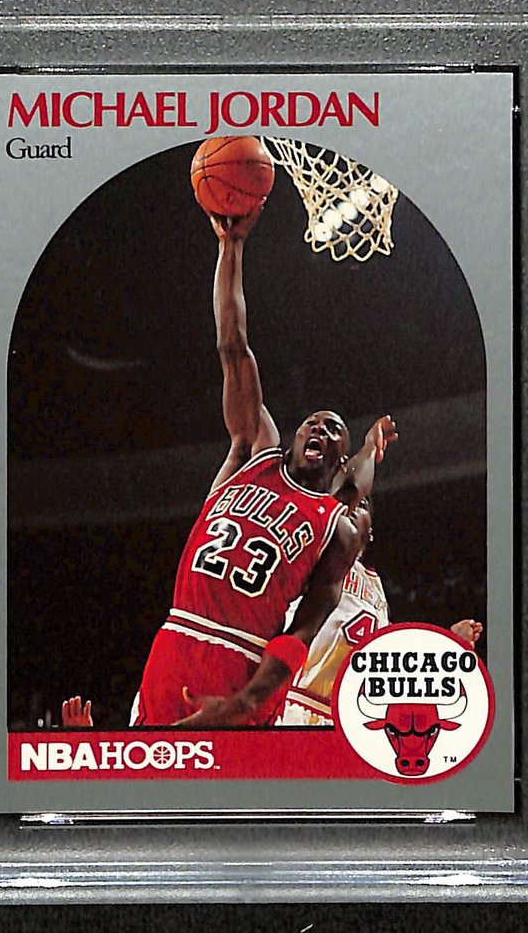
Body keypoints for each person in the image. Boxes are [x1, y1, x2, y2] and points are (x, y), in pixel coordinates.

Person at [130, 206, 397, 729]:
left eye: (333, 430)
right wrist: (230, 249)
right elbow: (234, 348)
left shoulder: (338, 523)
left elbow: (304, 629)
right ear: (295, 434)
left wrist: (246, 702)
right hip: (177, 637)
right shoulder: (251, 453)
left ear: (340, 460)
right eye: (312, 423)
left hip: (244, 664)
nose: (318, 428)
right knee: (150, 776)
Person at [277, 498, 483, 726]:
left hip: (349, 719)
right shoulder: (307, 558)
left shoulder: (374, 584)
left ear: (370, 531)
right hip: (296, 705)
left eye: (361, 504)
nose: (350, 506)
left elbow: (388, 657)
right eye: (343, 500)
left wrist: (447, 643)